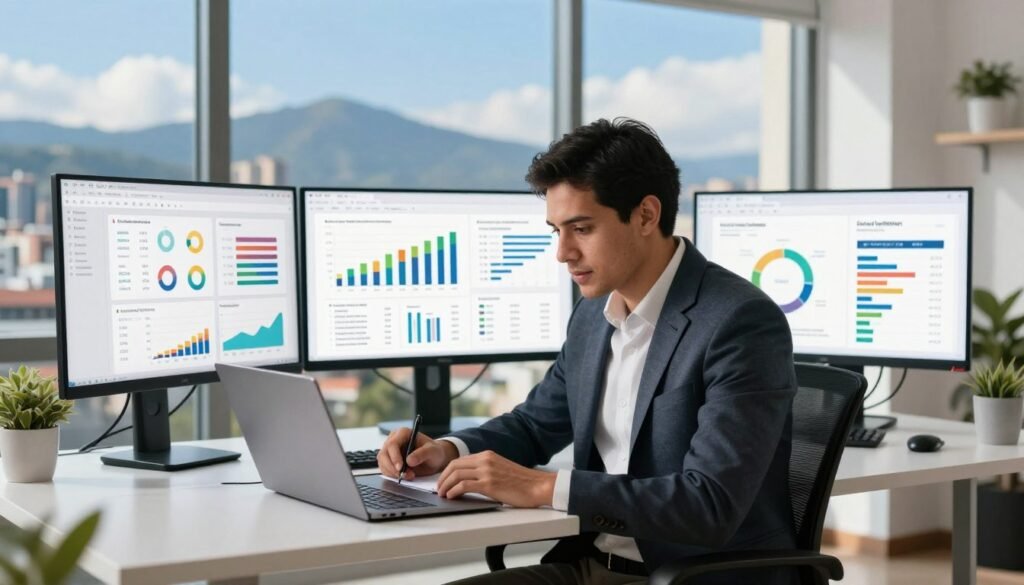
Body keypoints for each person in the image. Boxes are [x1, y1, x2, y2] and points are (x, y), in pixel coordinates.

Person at [377, 118, 798, 585]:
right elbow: (535, 425)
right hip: (591, 564)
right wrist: (447, 450)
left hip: (691, 577)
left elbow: (709, 503)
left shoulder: (738, 322)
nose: (563, 252)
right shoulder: (594, 313)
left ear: (646, 215)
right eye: (556, 230)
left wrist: (543, 487)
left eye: (581, 228)